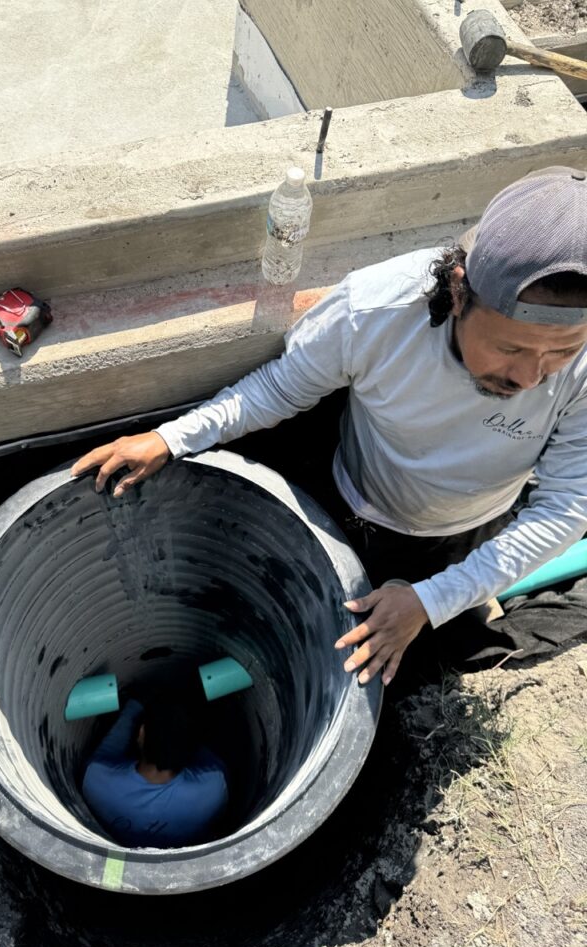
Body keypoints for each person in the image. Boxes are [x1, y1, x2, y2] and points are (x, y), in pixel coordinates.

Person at [71, 167, 587, 687]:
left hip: (461, 535)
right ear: (458, 292)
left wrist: (430, 600)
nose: (528, 377)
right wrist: (171, 437)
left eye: (561, 352)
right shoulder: (374, 311)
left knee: (400, 660)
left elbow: (568, 504)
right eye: (510, 348)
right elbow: (279, 389)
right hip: (344, 499)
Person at [82, 695, 228, 848]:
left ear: (141, 733)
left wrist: (134, 706)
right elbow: (212, 758)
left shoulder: (95, 781)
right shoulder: (214, 790)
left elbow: (104, 755)